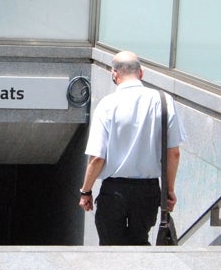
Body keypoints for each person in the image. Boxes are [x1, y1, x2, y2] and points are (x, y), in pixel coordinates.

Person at [79, 51, 186, 245]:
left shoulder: (107, 104)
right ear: (141, 73)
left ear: (114, 74)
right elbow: (174, 153)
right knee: (140, 244)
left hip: (114, 191)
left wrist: (85, 191)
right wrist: (169, 190)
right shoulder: (163, 101)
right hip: (148, 190)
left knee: (110, 247)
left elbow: (97, 158)